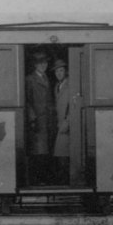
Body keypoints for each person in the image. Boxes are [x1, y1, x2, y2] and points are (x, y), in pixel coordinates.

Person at [25, 51, 55, 185]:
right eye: (40, 63)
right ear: (35, 65)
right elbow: (27, 100)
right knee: (38, 151)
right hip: (38, 120)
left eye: (45, 62)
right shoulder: (29, 79)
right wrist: (32, 118)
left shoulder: (46, 78)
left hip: (48, 120)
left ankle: (45, 179)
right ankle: (38, 180)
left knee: (46, 149)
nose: (44, 65)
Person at [52, 59, 70, 185]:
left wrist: (67, 121)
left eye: (61, 70)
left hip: (67, 125)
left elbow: (73, 105)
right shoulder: (57, 86)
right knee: (60, 152)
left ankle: (65, 181)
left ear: (66, 71)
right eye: (57, 71)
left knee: (63, 152)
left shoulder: (70, 85)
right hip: (59, 124)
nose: (59, 73)